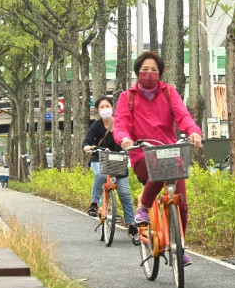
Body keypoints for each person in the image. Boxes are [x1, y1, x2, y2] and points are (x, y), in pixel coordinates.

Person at [113, 51, 203, 266]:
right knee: (157, 168)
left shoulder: (169, 93)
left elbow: (183, 116)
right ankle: (143, 206)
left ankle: (178, 246)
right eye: (145, 69)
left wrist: (193, 131)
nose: (149, 73)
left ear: (160, 73)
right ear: (137, 72)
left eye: (154, 70)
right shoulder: (128, 97)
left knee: (181, 204)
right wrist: (124, 139)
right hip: (141, 153)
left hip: (170, 152)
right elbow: (121, 124)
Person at [82, 96, 138, 240]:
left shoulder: (120, 124)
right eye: (101, 107)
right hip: (99, 159)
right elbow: (86, 142)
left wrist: (129, 144)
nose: (105, 109)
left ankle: (132, 225)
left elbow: (129, 137)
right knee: (101, 175)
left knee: (125, 192)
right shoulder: (96, 126)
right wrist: (88, 147)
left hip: (119, 160)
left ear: (112, 108)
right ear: (97, 110)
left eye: (107, 106)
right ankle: (94, 204)